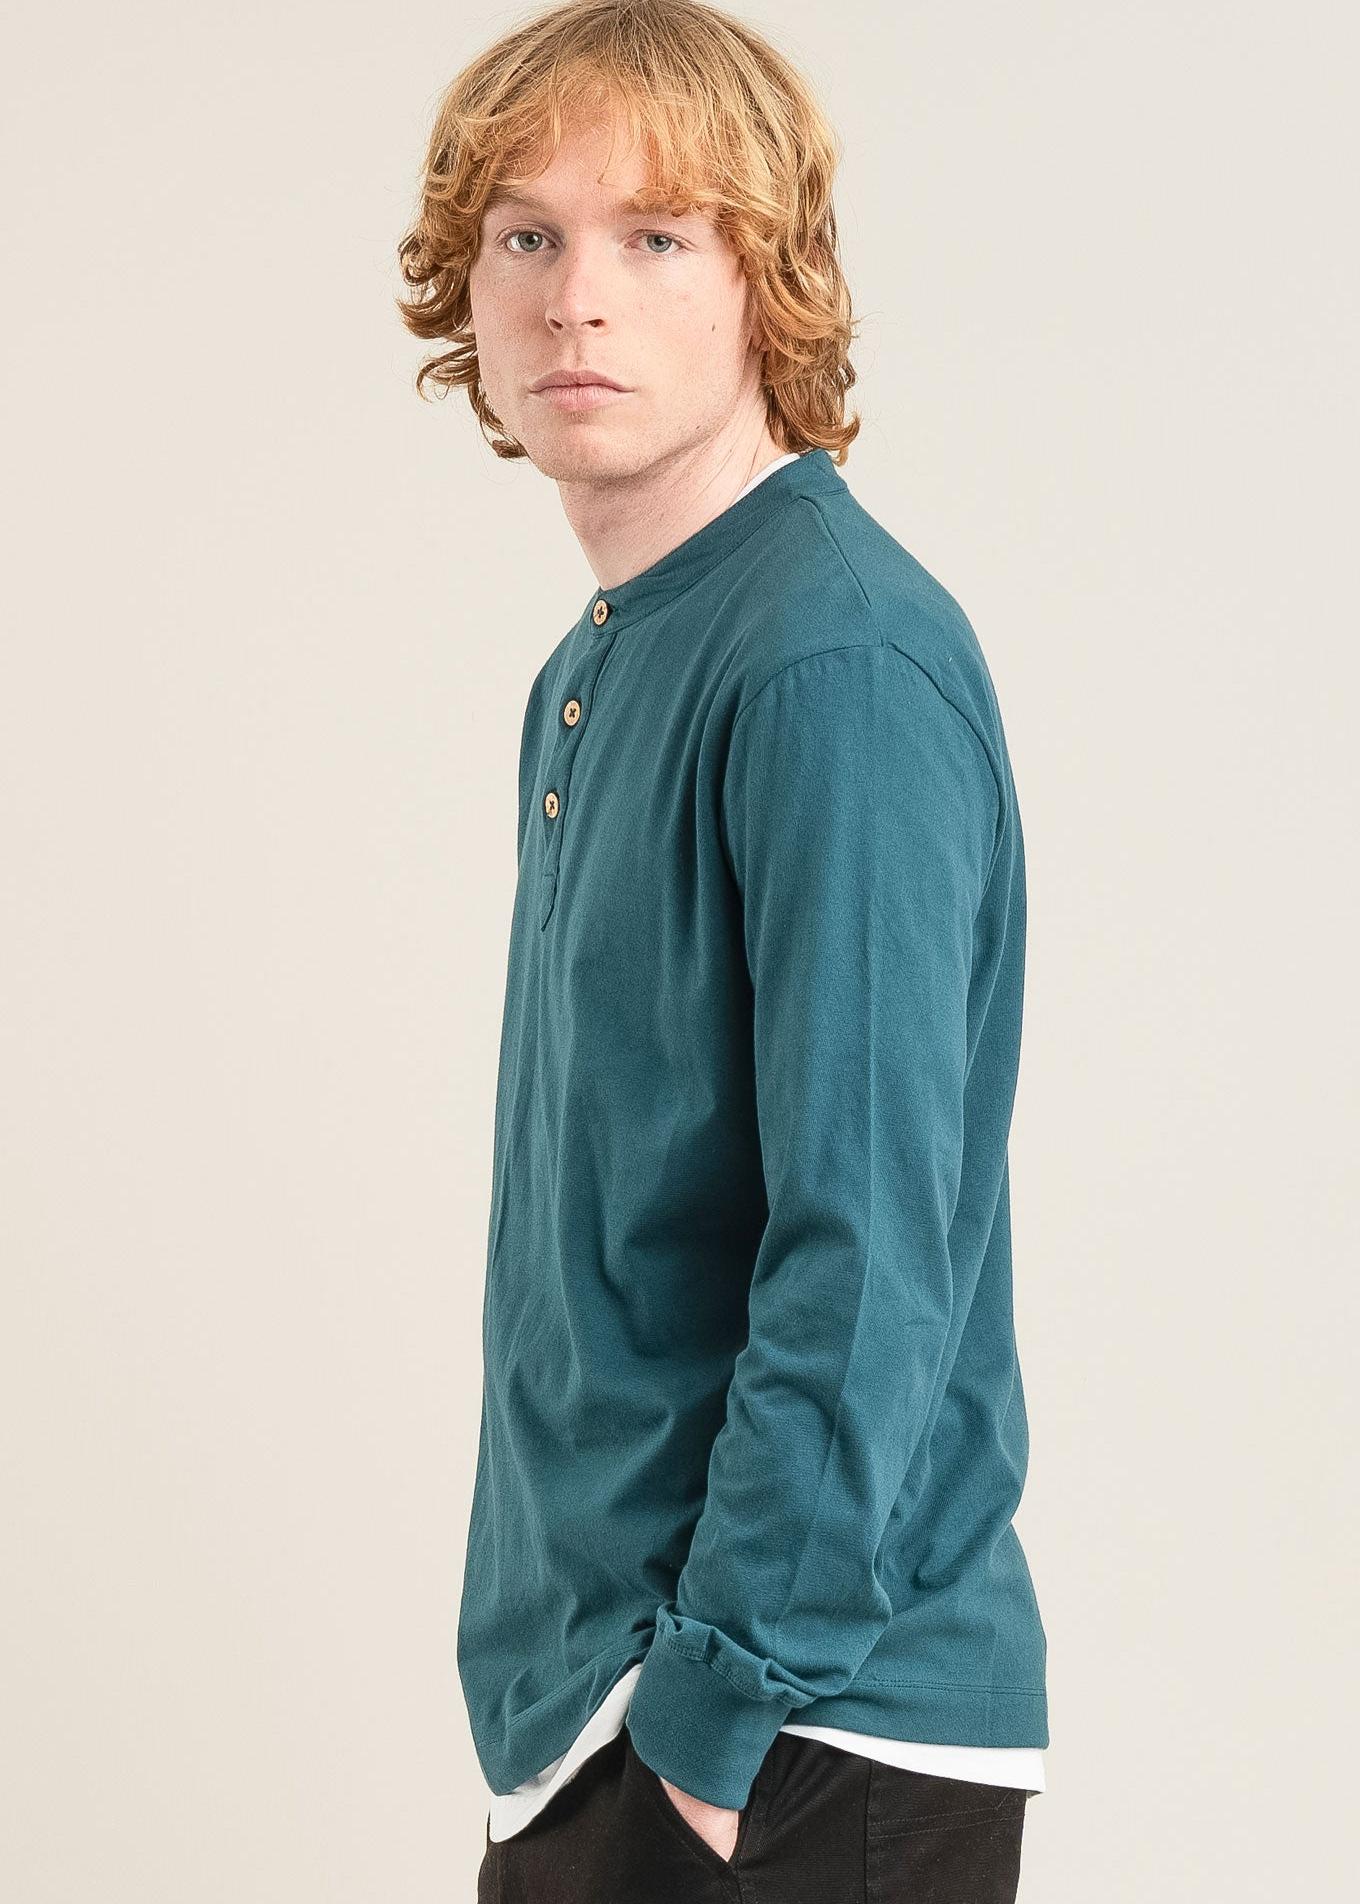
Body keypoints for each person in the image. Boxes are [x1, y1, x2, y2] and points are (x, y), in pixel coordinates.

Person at [396, 4, 1049, 1898]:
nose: (576, 298)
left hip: (792, 1735)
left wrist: (710, 1726)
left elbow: (870, 1243)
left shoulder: (829, 658)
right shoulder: (603, 661)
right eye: (527, 235)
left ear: (767, 277)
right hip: (611, 1719)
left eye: (655, 235)